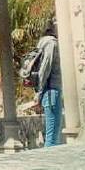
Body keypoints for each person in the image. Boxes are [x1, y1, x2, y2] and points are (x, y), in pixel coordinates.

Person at [36, 19, 63, 147]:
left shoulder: (43, 43)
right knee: (52, 136)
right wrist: (39, 93)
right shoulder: (51, 44)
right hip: (51, 91)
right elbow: (45, 69)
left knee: (53, 133)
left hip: (49, 90)